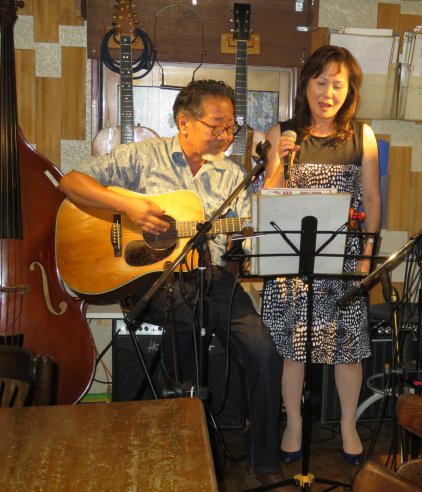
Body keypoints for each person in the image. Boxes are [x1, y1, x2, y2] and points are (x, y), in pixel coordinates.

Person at [58, 80, 292, 489]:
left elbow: (250, 232)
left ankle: (264, 458)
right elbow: (70, 182)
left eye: (231, 127)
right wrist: (129, 205)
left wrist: (270, 199)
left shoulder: (232, 175)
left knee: (264, 348)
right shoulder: (142, 157)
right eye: (216, 125)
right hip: (151, 278)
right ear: (184, 122)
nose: (226, 135)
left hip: (210, 279)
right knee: (182, 316)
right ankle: (182, 440)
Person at [261, 45, 381, 465]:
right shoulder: (282, 133)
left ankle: (348, 424)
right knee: (294, 348)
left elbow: (371, 198)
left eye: (338, 85)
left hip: (342, 256)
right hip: (292, 259)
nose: (328, 93)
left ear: (349, 91)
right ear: (306, 84)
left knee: (347, 347)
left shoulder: (362, 136)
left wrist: (367, 254)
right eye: (321, 82)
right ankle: (294, 423)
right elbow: (269, 198)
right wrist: (279, 161)